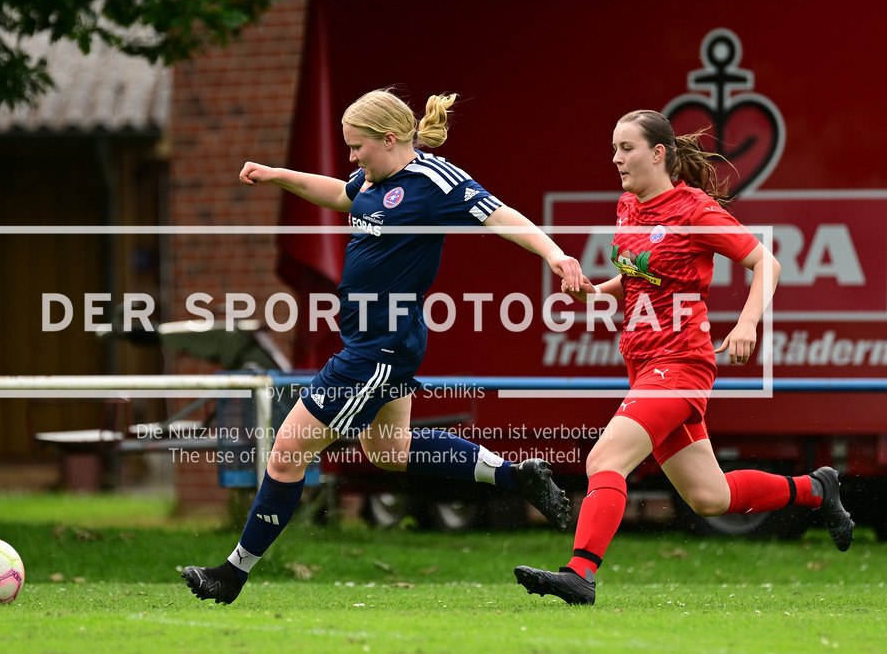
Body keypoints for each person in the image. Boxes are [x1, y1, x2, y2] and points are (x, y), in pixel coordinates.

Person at [182, 88, 584, 604]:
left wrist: (555, 254)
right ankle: (515, 475)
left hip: (377, 348)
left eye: (357, 147)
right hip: (377, 341)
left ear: (389, 139)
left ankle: (231, 574)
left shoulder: (435, 181)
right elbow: (340, 194)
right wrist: (278, 176)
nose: (352, 157)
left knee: (285, 454)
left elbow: (502, 216)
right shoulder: (373, 181)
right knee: (389, 450)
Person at [514, 109, 855, 606]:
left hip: (681, 363)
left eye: (625, 148)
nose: (615, 158)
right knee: (709, 497)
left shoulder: (693, 209)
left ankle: (580, 574)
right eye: (613, 149)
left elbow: (768, 262)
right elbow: (636, 279)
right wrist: (595, 291)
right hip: (643, 361)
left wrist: (745, 324)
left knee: (604, 459)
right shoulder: (628, 206)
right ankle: (815, 491)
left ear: (658, 153)